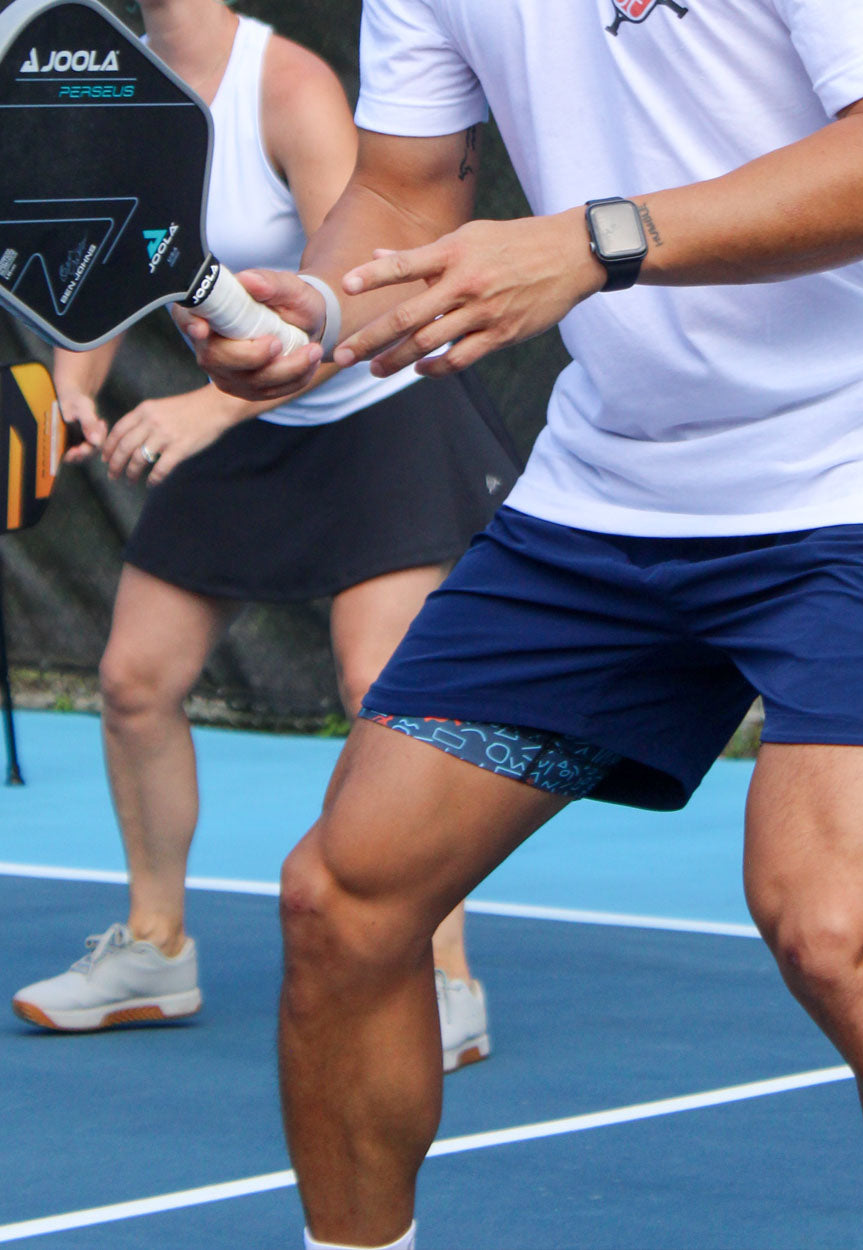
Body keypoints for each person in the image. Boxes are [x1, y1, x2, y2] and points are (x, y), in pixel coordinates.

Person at [190, 0, 863, 1246]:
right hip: (614, 484)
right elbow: (400, 189)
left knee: (838, 928)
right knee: (342, 900)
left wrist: (596, 240)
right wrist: (319, 319)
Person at [9, 0, 519, 1076]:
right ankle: (155, 949)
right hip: (242, 411)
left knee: (380, 685)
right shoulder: (112, 85)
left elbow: (367, 293)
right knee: (135, 680)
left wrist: (204, 410)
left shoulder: (288, 91)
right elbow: (95, 280)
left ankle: (442, 972)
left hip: (372, 406)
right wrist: (64, 398)